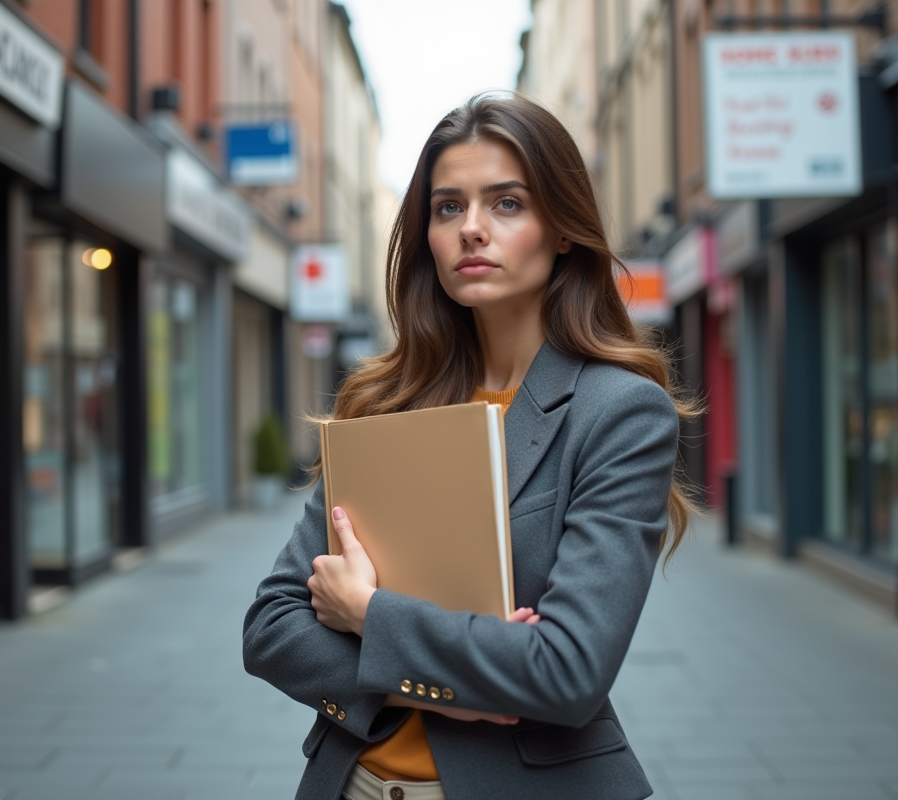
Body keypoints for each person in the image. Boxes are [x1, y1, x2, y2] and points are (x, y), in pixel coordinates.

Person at [243, 93, 695, 800]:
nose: (472, 229)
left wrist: (367, 614)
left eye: (507, 203)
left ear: (562, 229)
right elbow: (271, 628)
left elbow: (566, 671)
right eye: (448, 207)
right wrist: (434, 683)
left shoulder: (619, 413)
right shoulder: (384, 402)